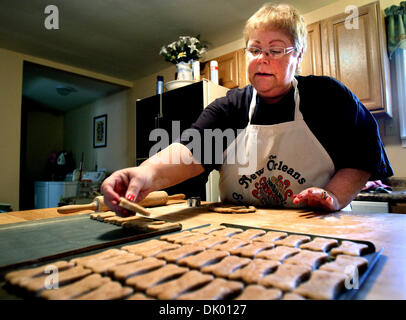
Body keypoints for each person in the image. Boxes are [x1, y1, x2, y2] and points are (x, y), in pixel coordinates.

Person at [101, 3, 393, 216]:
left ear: (299, 54)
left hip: (318, 231)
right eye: (254, 50)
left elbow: (361, 156)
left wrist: (332, 196)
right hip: (241, 234)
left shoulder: (328, 97)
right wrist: (144, 174)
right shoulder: (231, 108)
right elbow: (188, 153)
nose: (262, 59)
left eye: (275, 50)